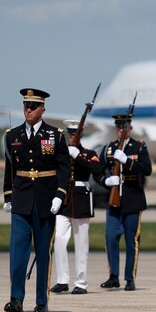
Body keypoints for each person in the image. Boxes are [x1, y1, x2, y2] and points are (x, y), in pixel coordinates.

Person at [2, 88, 71, 312]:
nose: (28, 110)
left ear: (43, 109)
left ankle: (41, 301)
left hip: (45, 200)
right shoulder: (13, 135)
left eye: (33, 106)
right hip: (21, 199)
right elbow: (10, 168)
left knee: (43, 253)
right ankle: (16, 299)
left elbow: (64, 169)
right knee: (18, 252)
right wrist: (8, 196)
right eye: (25, 106)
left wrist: (59, 195)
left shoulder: (56, 135)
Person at [98, 113, 152, 291]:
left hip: (132, 199)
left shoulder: (139, 147)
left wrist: (127, 161)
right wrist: (105, 181)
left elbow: (147, 169)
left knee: (131, 241)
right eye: (119, 126)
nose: (121, 130)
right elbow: (97, 170)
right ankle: (114, 276)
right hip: (114, 200)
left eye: (125, 126)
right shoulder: (108, 148)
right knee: (110, 237)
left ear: (131, 128)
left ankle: (130, 278)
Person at [50, 119, 105, 295]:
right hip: (64, 199)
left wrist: (78, 156)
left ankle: (81, 282)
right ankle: (62, 280)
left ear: (81, 135)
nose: (72, 136)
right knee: (59, 238)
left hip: (81, 199)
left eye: (76, 133)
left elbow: (97, 169)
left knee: (81, 243)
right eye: (70, 133)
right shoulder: (61, 153)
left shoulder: (88, 153)